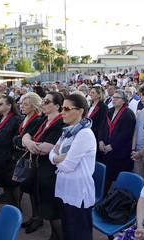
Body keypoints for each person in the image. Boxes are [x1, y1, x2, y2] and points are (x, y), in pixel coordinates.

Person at [49, 94, 96, 240]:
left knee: (79, 234)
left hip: (78, 191)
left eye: (67, 108)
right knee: (68, 231)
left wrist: (56, 159)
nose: (62, 112)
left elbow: (68, 166)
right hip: (66, 188)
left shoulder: (84, 134)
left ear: (80, 111)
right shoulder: (68, 131)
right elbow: (52, 153)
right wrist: (57, 158)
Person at [22, 92, 65, 239]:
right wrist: (29, 142)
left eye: (47, 102)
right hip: (38, 167)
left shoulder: (61, 123)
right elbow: (25, 136)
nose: (43, 104)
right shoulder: (43, 120)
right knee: (44, 204)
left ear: (57, 106)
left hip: (50, 172)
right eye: (43, 101)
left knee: (53, 210)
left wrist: (29, 143)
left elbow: (47, 148)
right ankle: (53, 235)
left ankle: (58, 236)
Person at [12, 92, 43, 233]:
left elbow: (23, 142)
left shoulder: (37, 120)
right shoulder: (26, 118)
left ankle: (37, 219)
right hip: (23, 158)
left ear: (33, 106)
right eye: (21, 103)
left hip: (31, 160)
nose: (21, 106)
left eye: (25, 104)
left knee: (33, 191)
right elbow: (18, 139)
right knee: (29, 189)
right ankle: (34, 217)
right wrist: (19, 141)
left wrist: (18, 141)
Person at [99, 89, 136, 194]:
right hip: (106, 152)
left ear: (123, 100)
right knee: (106, 179)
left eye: (117, 98)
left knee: (118, 181)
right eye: (113, 97)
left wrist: (112, 146)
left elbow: (126, 134)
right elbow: (102, 128)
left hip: (120, 154)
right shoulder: (109, 111)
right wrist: (101, 141)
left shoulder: (128, 114)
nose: (114, 99)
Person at [0, 96, 22, 206]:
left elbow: (16, 140)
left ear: (9, 106)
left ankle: (16, 211)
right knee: (5, 187)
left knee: (12, 187)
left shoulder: (16, 119)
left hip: (9, 159)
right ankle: (9, 209)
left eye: (1, 104)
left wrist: (12, 157)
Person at [88, 85, 108, 162]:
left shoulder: (103, 107)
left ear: (99, 95)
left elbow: (102, 124)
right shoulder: (90, 105)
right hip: (88, 134)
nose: (90, 94)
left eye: (93, 93)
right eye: (90, 92)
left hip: (96, 135)